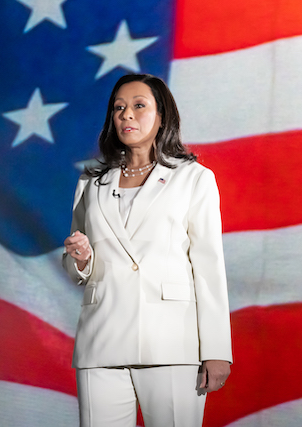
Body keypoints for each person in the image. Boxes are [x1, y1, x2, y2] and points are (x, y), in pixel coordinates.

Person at [62, 73, 233, 427]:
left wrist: (217, 350)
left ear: (162, 116)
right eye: (119, 107)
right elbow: (78, 265)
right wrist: (80, 259)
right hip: (101, 340)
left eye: (139, 106)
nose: (126, 114)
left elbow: (209, 267)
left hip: (171, 343)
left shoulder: (193, 179)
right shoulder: (91, 182)